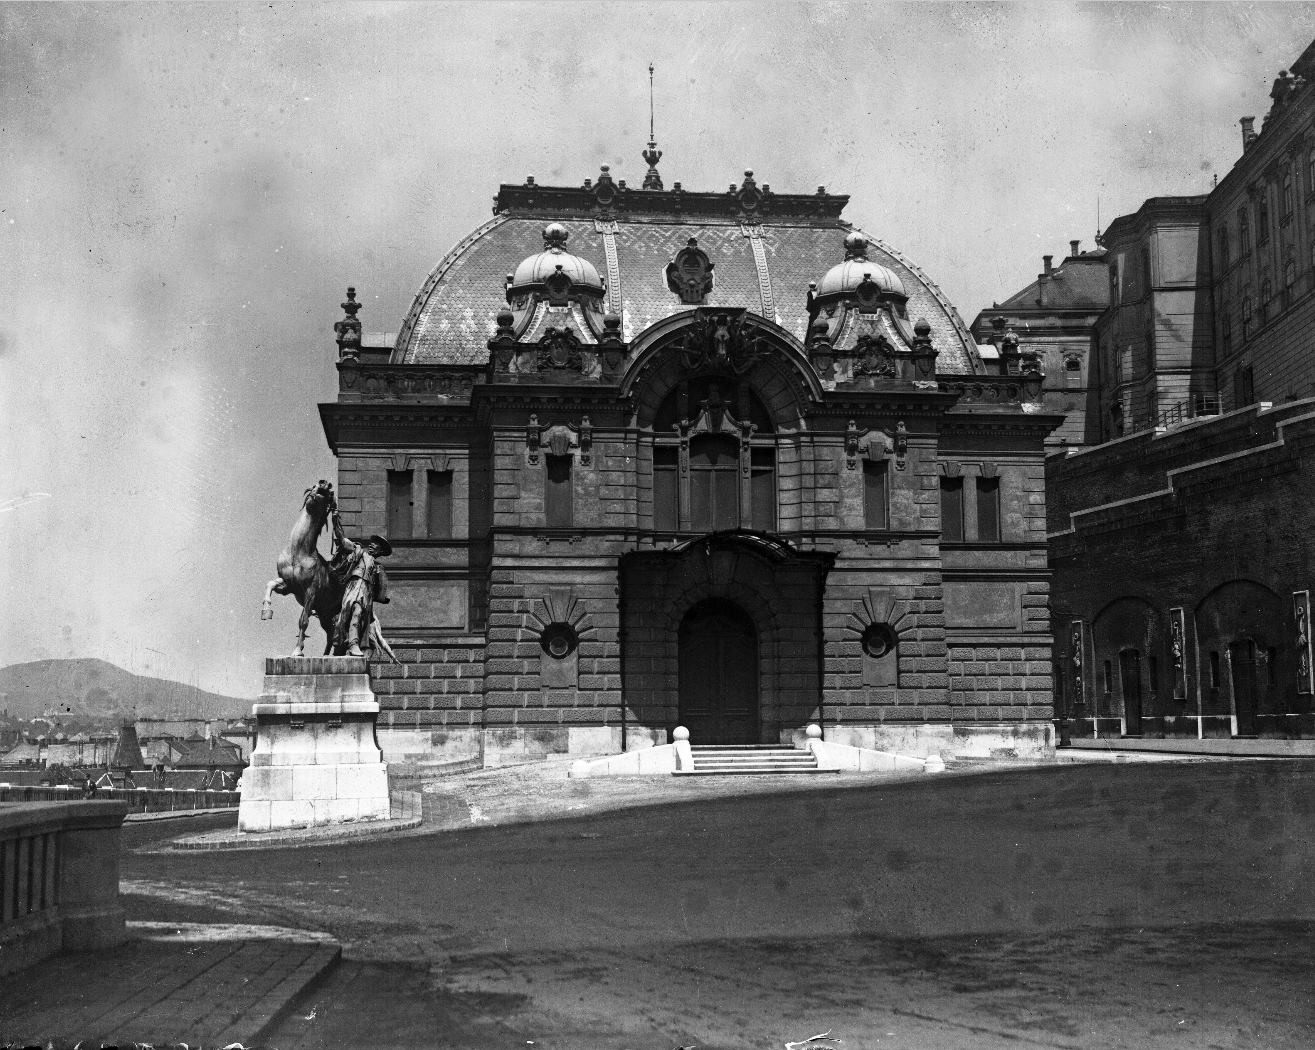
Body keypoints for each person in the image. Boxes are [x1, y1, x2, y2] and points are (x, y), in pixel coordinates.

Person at [329, 511, 392, 658]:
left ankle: (353, 644)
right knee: (344, 618)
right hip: (354, 586)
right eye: (372, 542)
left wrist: (382, 597)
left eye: (376, 544)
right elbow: (343, 540)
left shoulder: (378, 568)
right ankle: (342, 644)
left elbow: (380, 592)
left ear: (380, 550)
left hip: (366, 593)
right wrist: (335, 521)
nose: (372, 545)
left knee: (358, 615)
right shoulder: (360, 553)